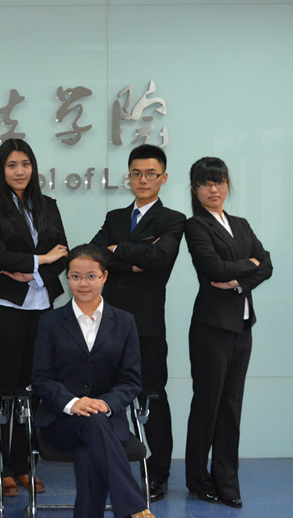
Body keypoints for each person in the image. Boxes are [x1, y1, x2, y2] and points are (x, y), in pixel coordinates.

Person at [89, 144, 185, 501]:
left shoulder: (173, 219)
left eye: (150, 174)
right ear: (128, 176)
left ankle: (157, 473)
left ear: (163, 177)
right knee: (103, 396)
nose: (143, 180)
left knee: (152, 398)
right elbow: (94, 254)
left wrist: (119, 251)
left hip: (147, 326)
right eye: (136, 174)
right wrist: (133, 257)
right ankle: (106, 464)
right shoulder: (115, 216)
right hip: (108, 323)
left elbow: (159, 257)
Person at [32, 244, 154, 518]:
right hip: (61, 421)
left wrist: (104, 404)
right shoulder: (50, 322)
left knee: (90, 452)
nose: (83, 283)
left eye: (90, 276)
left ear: (104, 277)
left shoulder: (124, 322)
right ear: (67, 278)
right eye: (75, 276)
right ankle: (135, 508)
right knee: (94, 425)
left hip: (106, 420)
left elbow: (131, 380)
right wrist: (72, 403)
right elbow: (41, 378)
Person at [0, 138, 67, 496]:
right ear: (1, 170)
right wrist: (41, 260)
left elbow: (63, 253)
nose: (19, 171)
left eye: (25, 164)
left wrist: (35, 275)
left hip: (42, 306)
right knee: (3, 389)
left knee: (32, 389)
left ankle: (24, 463)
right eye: (11, 165)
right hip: (5, 307)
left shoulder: (48, 206)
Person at [184, 157, 272, 508]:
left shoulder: (241, 224)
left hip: (242, 326)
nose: (214, 189)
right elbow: (213, 267)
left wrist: (238, 280)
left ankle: (227, 482)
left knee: (231, 406)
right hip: (212, 327)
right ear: (195, 189)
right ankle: (197, 478)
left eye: (219, 182)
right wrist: (248, 265)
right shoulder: (196, 226)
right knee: (207, 404)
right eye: (206, 183)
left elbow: (266, 264)